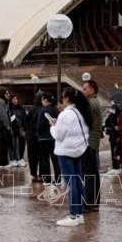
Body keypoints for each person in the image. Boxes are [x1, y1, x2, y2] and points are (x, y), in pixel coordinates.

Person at [50, 87, 91, 226]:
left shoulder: (65, 114)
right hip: (78, 150)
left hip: (66, 151)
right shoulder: (81, 112)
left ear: (67, 98)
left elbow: (58, 135)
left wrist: (52, 127)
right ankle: (79, 213)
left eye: (63, 97)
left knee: (71, 183)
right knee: (77, 181)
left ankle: (74, 215)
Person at [81, 80, 102, 211]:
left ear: (92, 90)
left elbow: (84, 121)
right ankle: (93, 202)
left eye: (85, 89)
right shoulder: (95, 101)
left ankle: (89, 202)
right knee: (93, 173)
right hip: (93, 142)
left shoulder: (90, 103)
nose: (83, 91)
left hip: (89, 143)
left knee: (88, 174)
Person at [37, 92, 60, 184]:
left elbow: (39, 125)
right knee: (55, 159)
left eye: (42, 99)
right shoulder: (56, 110)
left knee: (45, 159)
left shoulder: (43, 110)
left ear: (45, 100)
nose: (42, 101)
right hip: (54, 138)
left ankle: (47, 179)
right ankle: (58, 179)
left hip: (44, 138)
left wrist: (38, 133)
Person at [26, 93, 43, 182]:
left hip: (31, 136)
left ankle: (33, 174)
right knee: (41, 156)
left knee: (32, 156)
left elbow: (27, 121)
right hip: (40, 136)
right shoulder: (43, 109)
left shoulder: (31, 109)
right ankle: (41, 174)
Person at [0, 89, 13, 168]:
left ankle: (4, 162)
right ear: (3, 94)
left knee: (5, 145)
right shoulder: (0, 102)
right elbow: (3, 116)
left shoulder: (5, 102)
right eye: (7, 93)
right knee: (3, 145)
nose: (8, 95)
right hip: (2, 127)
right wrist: (8, 126)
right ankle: (3, 163)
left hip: (4, 127)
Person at [10, 95, 27, 167]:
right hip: (13, 128)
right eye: (14, 99)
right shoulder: (9, 108)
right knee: (13, 144)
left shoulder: (21, 108)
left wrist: (25, 127)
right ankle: (13, 159)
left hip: (21, 128)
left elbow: (24, 118)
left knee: (22, 143)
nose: (15, 100)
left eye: (16, 99)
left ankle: (21, 158)